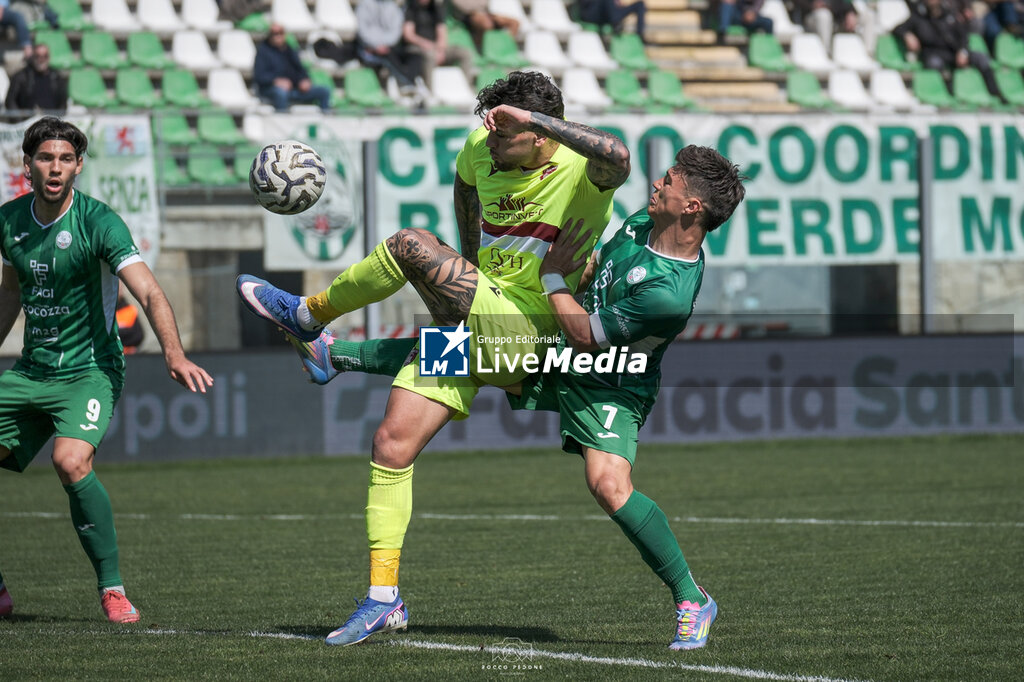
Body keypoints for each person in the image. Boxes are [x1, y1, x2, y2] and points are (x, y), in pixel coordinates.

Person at [290, 145, 746, 650]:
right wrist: (581, 269)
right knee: (470, 350)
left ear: (692, 208)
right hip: (561, 348)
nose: (657, 183)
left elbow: (587, 337)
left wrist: (553, 274)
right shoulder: (644, 223)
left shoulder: (670, 291)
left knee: (609, 485)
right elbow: (597, 271)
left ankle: (692, 598)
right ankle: (335, 356)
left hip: (611, 379)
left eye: (670, 181)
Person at [236, 70, 630, 646]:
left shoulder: (581, 169)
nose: (490, 145)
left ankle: (309, 315)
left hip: (536, 329)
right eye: (489, 132)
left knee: (409, 245)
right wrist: (468, 270)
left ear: (541, 133)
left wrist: (535, 119)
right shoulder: (480, 148)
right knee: (391, 445)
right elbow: (466, 188)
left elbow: (617, 156)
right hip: (482, 313)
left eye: (505, 135)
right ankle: (382, 599)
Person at [0, 117, 213, 622]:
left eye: (66, 159)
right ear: (27, 163)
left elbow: (150, 292)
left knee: (70, 461)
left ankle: (112, 589)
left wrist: (174, 353)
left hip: (89, 371)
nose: (55, 168)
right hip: (30, 372)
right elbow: (10, 291)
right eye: (46, 158)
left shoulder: (99, 222)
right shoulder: (9, 221)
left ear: (78, 166)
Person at [893, 0, 1002, 99]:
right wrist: (907, 35)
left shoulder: (950, 15)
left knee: (981, 57)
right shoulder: (918, 18)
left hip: (954, 53)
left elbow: (963, 36)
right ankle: (947, 94)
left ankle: (995, 93)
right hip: (933, 54)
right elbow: (897, 29)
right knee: (934, 63)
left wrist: (963, 51)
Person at [253, 24, 331, 112]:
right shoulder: (263, 52)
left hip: (294, 88)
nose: (277, 36)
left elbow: (300, 69)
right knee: (281, 93)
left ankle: (325, 120)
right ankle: (282, 121)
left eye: (280, 33)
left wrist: (304, 79)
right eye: (274, 33)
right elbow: (259, 76)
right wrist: (276, 81)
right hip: (270, 89)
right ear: (269, 35)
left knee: (324, 91)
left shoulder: (289, 50)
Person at [356, 0, 425, 98]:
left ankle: (410, 83)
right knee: (388, 57)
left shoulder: (392, 6)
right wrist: (376, 46)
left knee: (415, 55)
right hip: (369, 49)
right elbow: (362, 31)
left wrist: (385, 45)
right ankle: (408, 83)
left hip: (389, 47)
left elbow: (395, 32)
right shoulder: (364, 5)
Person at [402, 0, 475, 90]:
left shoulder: (436, 9)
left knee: (465, 53)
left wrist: (441, 50)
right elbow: (409, 35)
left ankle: (467, 88)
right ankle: (430, 90)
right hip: (418, 48)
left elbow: (442, 32)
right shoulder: (410, 10)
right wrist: (427, 45)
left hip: (436, 48)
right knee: (430, 56)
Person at [4, 43, 68, 117]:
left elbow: (63, 104)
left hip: (51, 122)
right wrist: (19, 119)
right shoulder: (21, 77)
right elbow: (10, 101)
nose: (41, 59)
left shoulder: (57, 78)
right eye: (38, 56)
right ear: (33, 57)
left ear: (48, 57)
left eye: (45, 56)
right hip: (26, 122)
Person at [450, 0, 519, 50]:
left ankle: (505, 51)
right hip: (467, 16)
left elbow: (485, 3)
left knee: (514, 23)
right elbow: (465, 7)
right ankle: (480, 51)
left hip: (485, 12)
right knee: (486, 24)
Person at [577, 0, 648, 40]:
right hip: (592, 15)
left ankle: (639, 36)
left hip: (610, 14)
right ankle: (616, 22)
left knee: (640, 4)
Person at [116, 287, 143, 354]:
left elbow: (138, 336)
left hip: (129, 355)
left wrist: (116, 336)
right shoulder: (104, 312)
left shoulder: (130, 310)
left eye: (119, 288)